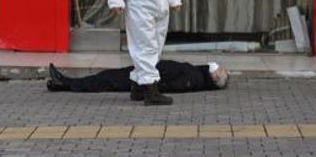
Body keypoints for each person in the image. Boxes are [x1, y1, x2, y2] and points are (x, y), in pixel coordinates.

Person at [46, 60, 229, 94]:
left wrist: (147, 86)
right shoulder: (198, 73)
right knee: (107, 78)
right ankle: (63, 84)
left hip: (144, 76)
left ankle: (66, 83)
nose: (219, 67)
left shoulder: (195, 79)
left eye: (221, 70)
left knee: (106, 80)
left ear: (214, 77)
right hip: (145, 70)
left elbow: (175, 86)